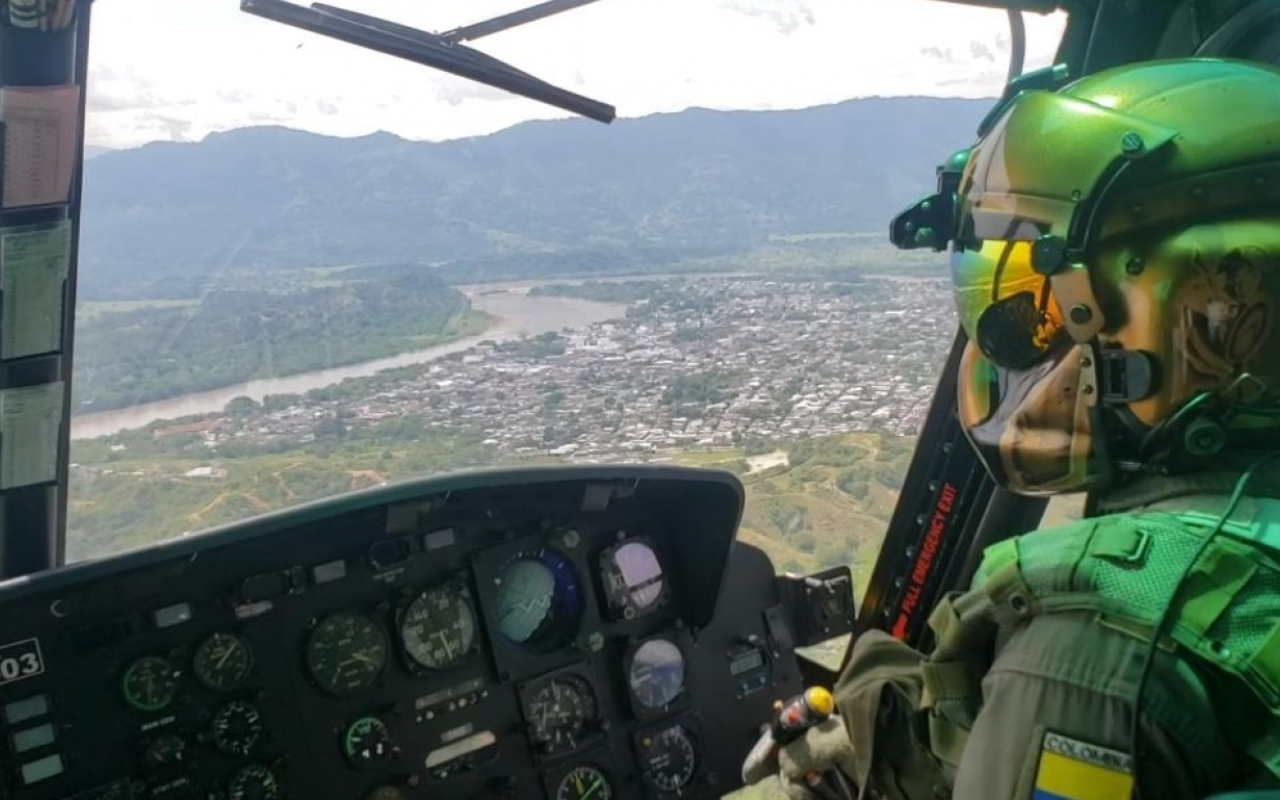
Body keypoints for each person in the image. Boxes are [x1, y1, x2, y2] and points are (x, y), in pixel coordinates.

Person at [743, 57, 1280, 800]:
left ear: (1187, 317)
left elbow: (1092, 705)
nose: (1017, 346)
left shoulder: (1095, 649)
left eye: (1049, 309)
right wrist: (882, 727)